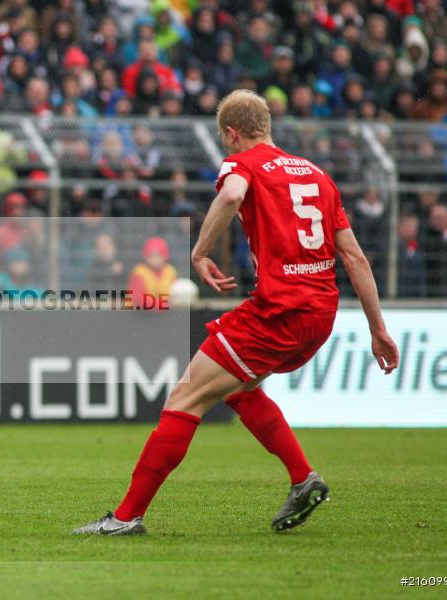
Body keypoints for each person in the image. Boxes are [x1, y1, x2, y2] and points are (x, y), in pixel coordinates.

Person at [74, 90, 399, 536]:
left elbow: (231, 194)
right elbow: (355, 258)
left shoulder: (243, 165)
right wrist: (378, 329)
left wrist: (200, 251)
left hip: (278, 311)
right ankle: (303, 478)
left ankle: (126, 517)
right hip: (320, 314)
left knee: (185, 397)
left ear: (231, 133)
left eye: (225, 139)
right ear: (265, 125)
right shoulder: (318, 176)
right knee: (239, 390)